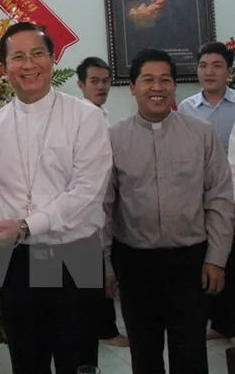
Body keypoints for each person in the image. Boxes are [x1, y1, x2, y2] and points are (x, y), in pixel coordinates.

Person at [0, 22, 112, 374]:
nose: (29, 64)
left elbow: (88, 189)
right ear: (4, 67)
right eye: (17, 56)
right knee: (26, 361)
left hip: (75, 256)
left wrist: (25, 225)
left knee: (78, 361)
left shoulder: (86, 116)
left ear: (53, 60)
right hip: (18, 262)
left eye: (37, 54)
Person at [104, 48, 234, 374]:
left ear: (175, 86)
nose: (157, 87)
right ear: (132, 87)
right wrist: (105, 264)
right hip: (135, 264)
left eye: (165, 79)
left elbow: (219, 197)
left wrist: (216, 258)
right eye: (147, 79)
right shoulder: (113, 138)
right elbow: (103, 206)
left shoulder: (200, 135)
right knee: (144, 355)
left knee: (190, 354)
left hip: (190, 263)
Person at [178, 42, 235, 343]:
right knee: (207, 258)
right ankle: (213, 320)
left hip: (233, 194)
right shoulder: (186, 108)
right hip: (200, 197)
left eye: (216, 65)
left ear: (229, 70)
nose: (209, 71)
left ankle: (227, 322)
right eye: (203, 65)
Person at [76, 56, 129, 348]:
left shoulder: (101, 114)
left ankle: (104, 327)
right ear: (80, 84)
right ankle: (105, 330)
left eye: (105, 80)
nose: (101, 86)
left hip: (105, 201)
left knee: (103, 266)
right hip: (88, 204)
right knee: (95, 268)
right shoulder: (83, 116)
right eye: (94, 81)